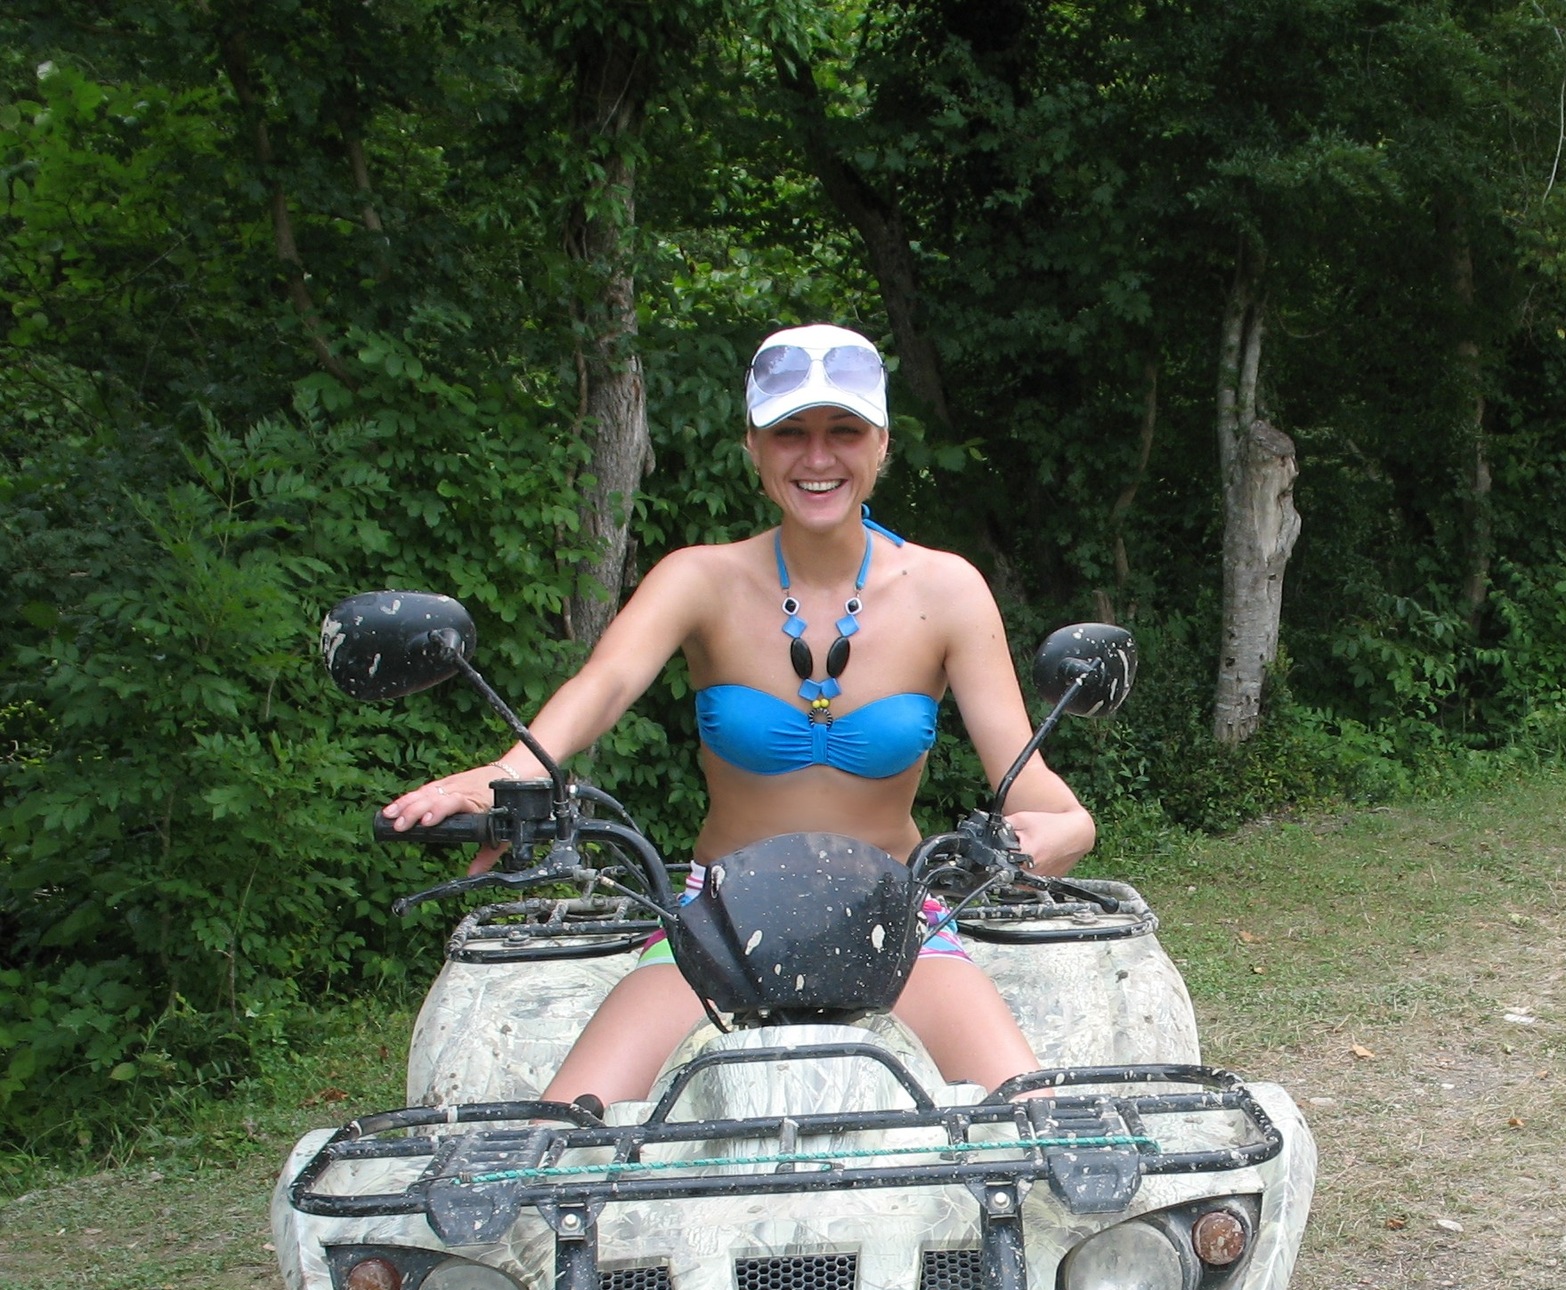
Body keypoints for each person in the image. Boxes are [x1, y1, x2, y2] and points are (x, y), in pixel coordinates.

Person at [383, 323, 1095, 1105]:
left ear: (882, 444)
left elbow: (1038, 793)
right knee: (558, 1133)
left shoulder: (947, 589)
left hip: (896, 917)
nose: (816, 458)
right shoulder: (699, 578)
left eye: (843, 430)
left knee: (1040, 1124)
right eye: (789, 432)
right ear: (752, 446)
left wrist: (1058, 831)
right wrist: (509, 772)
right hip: (717, 918)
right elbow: (605, 683)